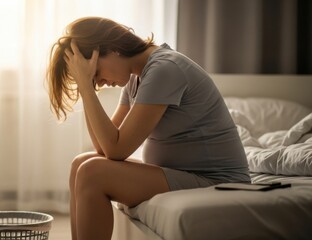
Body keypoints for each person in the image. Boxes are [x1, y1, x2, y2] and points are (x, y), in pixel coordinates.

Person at [46, 16, 250, 240]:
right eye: (93, 78)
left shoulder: (165, 69)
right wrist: (87, 89)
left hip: (216, 180)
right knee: (80, 164)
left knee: (92, 173)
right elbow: (103, 147)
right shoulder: (136, 78)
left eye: (96, 73)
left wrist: (86, 87)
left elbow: (116, 149)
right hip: (186, 173)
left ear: (112, 49)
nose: (99, 83)